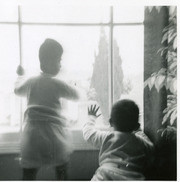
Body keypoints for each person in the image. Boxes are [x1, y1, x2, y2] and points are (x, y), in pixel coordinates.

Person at [14, 38, 80, 180]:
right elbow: (75, 95)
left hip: (32, 136)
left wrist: (20, 76)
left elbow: (18, 91)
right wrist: (74, 84)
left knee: (29, 172)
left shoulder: (31, 81)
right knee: (61, 169)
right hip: (53, 136)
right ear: (48, 62)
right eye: (59, 61)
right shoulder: (57, 83)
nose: (60, 65)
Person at [83, 99, 154, 180]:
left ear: (110, 122)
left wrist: (91, 118)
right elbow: (151, 148)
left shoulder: (107, 137)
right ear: (136, 126)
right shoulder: (140, 141)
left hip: (106, 173)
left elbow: (88, 134)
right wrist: (139, 130)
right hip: (132, 176)